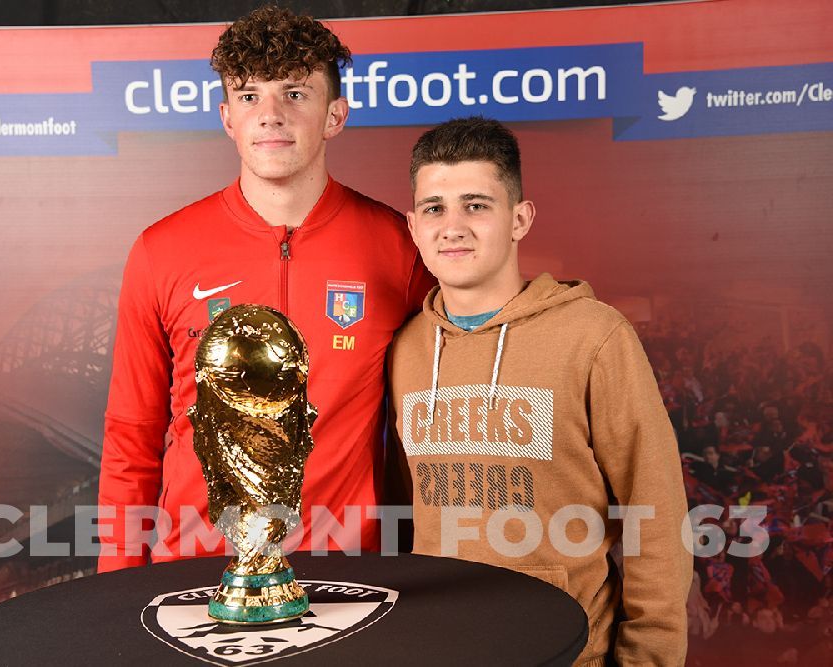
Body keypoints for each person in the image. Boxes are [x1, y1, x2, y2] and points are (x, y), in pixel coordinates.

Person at [98, 6, 434, 572]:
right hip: (196, 570)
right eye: (250, 96)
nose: (271, 115)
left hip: (346, 570)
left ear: (335, 115)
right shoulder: (162, 250)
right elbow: (131, 436)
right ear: (227, 117)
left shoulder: (398, 247)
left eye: (295, 93)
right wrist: (111, 591)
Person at [387, 117, 692, 665]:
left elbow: (657, 508)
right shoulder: (405, 348)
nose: (452, 226)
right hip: (439, 649)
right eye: (435, 208)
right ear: (413, 226)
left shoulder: (595, 336)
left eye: (476, 205)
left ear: (520, 219)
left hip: (569, 651)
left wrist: (651, 656)